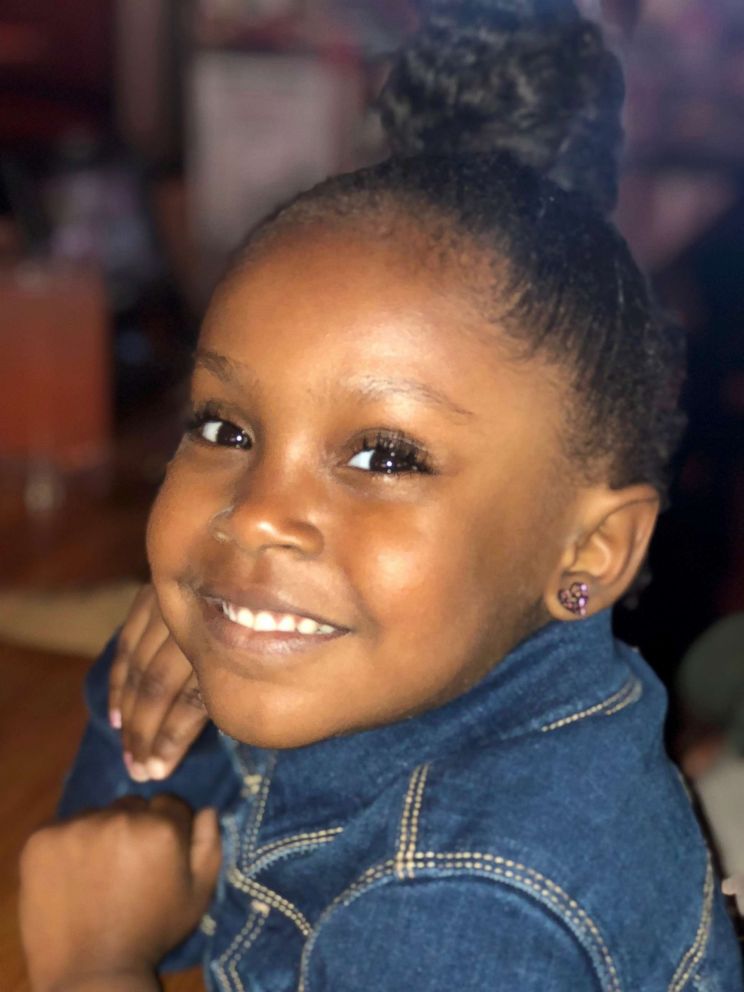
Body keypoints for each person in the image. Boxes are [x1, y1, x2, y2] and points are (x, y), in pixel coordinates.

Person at [19, 1, 743, 989]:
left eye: (386, 457)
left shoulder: (455, 907)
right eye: (226, 429)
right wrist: (178, 665)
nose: (257, 512)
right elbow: (113, 868)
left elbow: (93, 917)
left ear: (590, 552)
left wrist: (92, 965)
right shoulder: (423, 664)